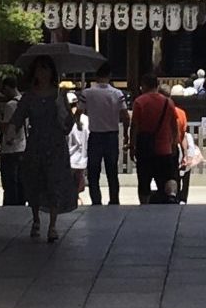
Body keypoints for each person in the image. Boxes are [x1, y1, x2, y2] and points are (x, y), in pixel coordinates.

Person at [12, 54, 76, 243]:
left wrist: (66, 113)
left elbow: (67, 124)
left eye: (46, 69)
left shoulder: (59, 95)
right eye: (40, 69)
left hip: (55, 144)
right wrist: (10, 132)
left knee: (54, 182)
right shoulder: (29, 97)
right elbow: (18, 117)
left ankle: (53, 225)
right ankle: (36, 218)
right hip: (36, 143)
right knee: (35, 182)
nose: (43, 73)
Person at [129, 70, 180, 203]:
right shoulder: (168, 103)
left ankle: (144, 204)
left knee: (144, 181)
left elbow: (135, 126)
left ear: (144, 86)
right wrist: (174, 143)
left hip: (145, 148)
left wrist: (132, 145)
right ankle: (171, 196)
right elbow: (174, 125)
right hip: (164, 148)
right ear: (157, 85)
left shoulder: (139, 102)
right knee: (168, 177)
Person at [79, 64, 126, 206]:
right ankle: (114, 199)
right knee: (112, 171)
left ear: (96, 76)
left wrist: (77, 124)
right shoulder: (117, 94)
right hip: (111, 135)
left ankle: (96, 200)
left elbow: (78, 112)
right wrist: (127, 134)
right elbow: (125, 115)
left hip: (95, 135)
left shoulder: (87, 93)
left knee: (93, 171)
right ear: (110, 76)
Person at [0, 78, 27, 209]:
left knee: (9, 183)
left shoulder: (11, 105)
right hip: (23, 146)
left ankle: (10, 207)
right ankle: (20, 205)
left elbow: (8, 129)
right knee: (20, 181)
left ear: (8, 88)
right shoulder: (24, 102)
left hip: (11, 149)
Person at [66, 92, 90, 203]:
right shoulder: (86, 120)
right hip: (82, 160)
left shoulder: (65, 120)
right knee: (78, 186)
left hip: (68, 160)